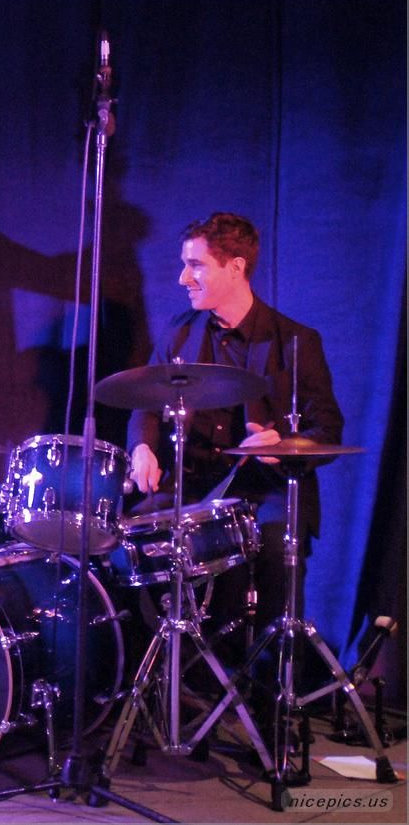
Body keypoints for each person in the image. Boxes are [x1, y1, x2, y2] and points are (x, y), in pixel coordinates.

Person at [127, 212, 343, 694]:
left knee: (275, 546)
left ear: (236, 267)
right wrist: (141, 446)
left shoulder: (295, 341)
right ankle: (181, 687)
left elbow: (328, 427)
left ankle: (270, 698)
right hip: (198, 485)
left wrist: (284, 445)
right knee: (130, 539)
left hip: (266, 490)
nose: (183, 278)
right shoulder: (181, 333)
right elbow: (145, 402)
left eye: (195, 265)